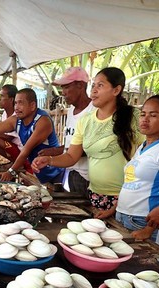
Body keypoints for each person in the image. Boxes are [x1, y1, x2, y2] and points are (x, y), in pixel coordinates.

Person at [32, 67, 143, 218]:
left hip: (127, 197)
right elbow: (71, 156)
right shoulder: (86, 120)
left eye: (100, 85)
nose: (94, 91)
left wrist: (122, 199)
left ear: (116, 90)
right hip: (96, 195)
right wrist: (50, 160)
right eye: (94, 85)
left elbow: (145, 157)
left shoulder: (133, 117)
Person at [39, 67, 94, 196]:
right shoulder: (70, 112)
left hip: (89, 178)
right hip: (73, 173)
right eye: (62, 88)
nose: (63, 92)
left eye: (66, 87)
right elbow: (74, 145)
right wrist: (55, 151)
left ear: (80, 85)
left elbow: (89, 147)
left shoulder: (94, 111)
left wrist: (53, 158)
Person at [116, 95, 159, 242]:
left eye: (153, 115)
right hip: (123, 215)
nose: (145, 119)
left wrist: (148, 229)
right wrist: (113, 209)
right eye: (143, 114)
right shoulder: (142, 146)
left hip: (143, 221)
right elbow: (133, 182)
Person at [0, 84, 32, 173]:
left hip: (22, 151)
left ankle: (18, 163)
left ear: (11, 99)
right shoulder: (4, 114)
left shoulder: (16, 116)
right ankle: (14, 162)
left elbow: (9, 137)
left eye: (2, 96)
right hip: (13, 148)